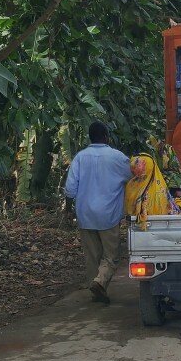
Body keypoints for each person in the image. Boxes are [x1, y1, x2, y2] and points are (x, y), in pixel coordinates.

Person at [64, 122, 132, 303]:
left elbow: (70, 189)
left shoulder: (80, 157)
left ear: (90, 137)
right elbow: (133, 177)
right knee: (111, 255)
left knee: (92, 256)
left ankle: (95, 287)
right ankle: (100, 282)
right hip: (108, 214)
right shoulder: (117, 157)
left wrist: (69, 211)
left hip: (85, 214)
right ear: (107, 137)